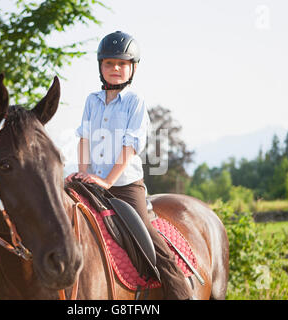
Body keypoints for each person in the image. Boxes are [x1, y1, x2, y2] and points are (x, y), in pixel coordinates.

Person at [65, 31, 191, 300]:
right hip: (92, 184)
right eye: (109, 63)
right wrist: (85, 173)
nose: (116, 69)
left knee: (148, 239)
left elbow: (130, 146)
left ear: (132, 68)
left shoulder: (135, 102)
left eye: (122, 64)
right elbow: (84, 139)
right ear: (101, 66)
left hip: (123, 186)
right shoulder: (92, 101)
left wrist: (108, 181)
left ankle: (180, 292)